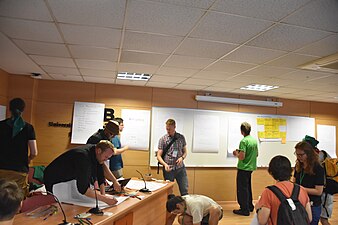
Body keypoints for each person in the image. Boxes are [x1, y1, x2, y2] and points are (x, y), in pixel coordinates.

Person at [44, 140, 118, 205]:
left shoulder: (95, 151)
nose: (106, 160)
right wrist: (105, 199)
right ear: (99, 151)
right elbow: (83, 189)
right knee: (58, 207)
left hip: (67, 180)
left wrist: (103, 195)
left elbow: (100, 172)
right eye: (106, 157)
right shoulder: (83, 157)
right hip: (54, 180)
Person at [255, 155, 312, 225]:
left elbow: (262, 221)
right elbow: (309, 218)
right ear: (290, 170)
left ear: (271, 172)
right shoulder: (301, 189)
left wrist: (258, 209)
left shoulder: (268, 192)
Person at [0, 98, 38, 196]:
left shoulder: (1, 125)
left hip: (1, 169)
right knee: (18, 199)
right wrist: (29, 159)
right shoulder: (28, 128)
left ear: (9, 109)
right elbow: (34, 152)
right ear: (23, 110)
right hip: (19, 170)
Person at [303, 135, 334, 225]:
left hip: (325, 193)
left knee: (323, 220)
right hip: (324, 191)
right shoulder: (322, 154)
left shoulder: (317, 157)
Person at [293, 141, 325, 225]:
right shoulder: (298, 166)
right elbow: (294, 181)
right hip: (299, 203)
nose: (299, 157)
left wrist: (300, 188)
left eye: (301, 155)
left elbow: (318, 191)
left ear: (309, 154)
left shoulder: (318, 168)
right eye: (297, 154)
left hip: (313, 204)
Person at [87, 120, 121, 191]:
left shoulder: (107, 137)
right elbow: (100, 164)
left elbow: (102, 163)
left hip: (98, 168)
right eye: (112, 134)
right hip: (90, 168)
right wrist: (114, 180)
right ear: (107, 130)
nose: (113, 137)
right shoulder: (96, 139)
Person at [232, 122, 258, 216]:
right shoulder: (254, 141)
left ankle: (244, 209)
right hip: (251, 167)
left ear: (242, 131)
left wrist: (236, 154)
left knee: (242, 189)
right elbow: (257, 154)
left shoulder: (243, 141)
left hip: (243, 168)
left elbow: (242, 157)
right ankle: (250, 206)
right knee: (247, 188)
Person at [157, 119, 188, 196]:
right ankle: (170, 207)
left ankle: (185, 207)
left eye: (170, 129)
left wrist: (182, 158)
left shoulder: (181, 138)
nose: (168, 131)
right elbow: (158, 156)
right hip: (168, 169)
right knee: (169, 192)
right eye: (167, 129)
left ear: (174, 127)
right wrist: (165, 165)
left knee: (184, 190)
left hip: (180, 168)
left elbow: (185, 152)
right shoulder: (163, 139)